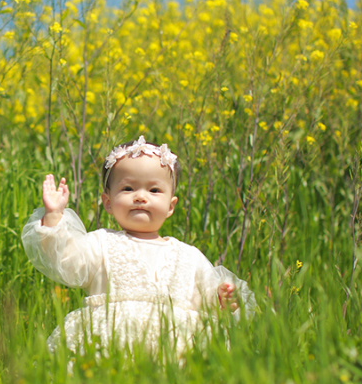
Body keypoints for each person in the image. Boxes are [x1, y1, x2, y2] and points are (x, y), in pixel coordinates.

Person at [21, 136, 255, 357]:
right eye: (128, 188)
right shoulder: (101, 243)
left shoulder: (188, 255)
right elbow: (66, 262)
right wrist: (53, 216)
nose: (141, 197)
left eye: (154, 190)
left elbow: (205, 298)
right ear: (108, 202)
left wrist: (220, 298)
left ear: (171, 205)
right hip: (110, 342)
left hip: (177, 345)